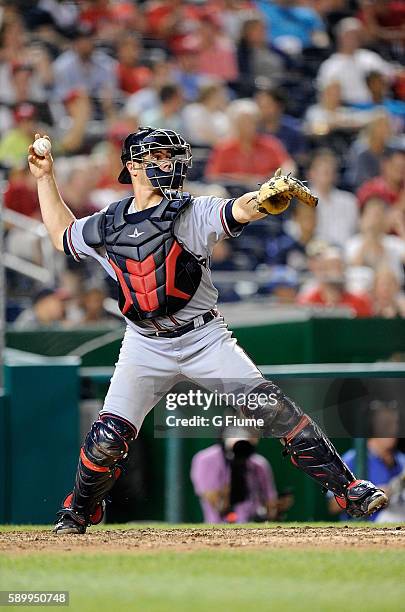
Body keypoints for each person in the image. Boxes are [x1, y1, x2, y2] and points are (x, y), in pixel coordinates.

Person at [28, 126, 387, 534]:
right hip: (144, 343)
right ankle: (78, 511)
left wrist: (262, 200)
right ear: (132, 166)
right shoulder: (108, 224)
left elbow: (238, 209)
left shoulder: (191, 211)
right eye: (157, 157)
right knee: (107, 439)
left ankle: (349, 488)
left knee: (272, 409)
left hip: (203, 337)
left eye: (171, 156)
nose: (169, 164)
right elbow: (61, 236)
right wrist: (44, 178)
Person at [190, 427, 278, 523]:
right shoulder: (207, 460)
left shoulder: (259, 465)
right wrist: (234, 470)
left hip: (253, 525)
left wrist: (270, 510)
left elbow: (271, 503)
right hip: (219, 525)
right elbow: (216, 503)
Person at [205, 99, 294, 190]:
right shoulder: (223, 147)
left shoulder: (270, 143)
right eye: (242, 122)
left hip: (266, 192)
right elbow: (213, 176)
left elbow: (288, 166)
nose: (247, 126)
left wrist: (276, 179)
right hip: (232, 195)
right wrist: (242, 180)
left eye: (251, 122)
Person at [317, 17, 394, 105]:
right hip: (345, 108)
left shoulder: (370, 58)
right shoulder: (330, 65)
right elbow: (325, 93)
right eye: (349, 35)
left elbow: (389, 77)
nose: (353, 39)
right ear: (340, 37)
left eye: (356, 35)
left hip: (374, 105)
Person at [329, 437, 405, 522]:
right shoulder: (352, 458)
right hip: (367, 523)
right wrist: (368, 496)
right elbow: (333, 506)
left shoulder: (401, 459)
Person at [298, 247, 373, 317]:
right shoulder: (309, 302)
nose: (335, 272)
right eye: (329, 266)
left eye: (339, 266)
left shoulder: (360, 301)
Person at [308, 149, 358, 248]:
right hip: (316, 252)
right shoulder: (303, 200)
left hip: (346, 252)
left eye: (331, 170)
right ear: (311, 174)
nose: (327, 174)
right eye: (323, 171)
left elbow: (357, 231)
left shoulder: (349, 200)